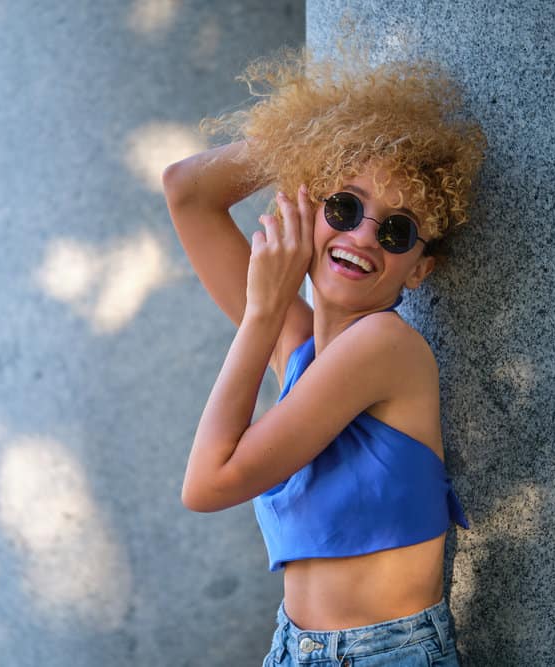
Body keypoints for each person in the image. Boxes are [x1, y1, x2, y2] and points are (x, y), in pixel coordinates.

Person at [163, 47, 486, 667]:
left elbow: (208, 484)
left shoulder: (383, 346)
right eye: (344, 206)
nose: (364, 234)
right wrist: (309, 138)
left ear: (419, 268)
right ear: (312, 209)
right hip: (294, 646)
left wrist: (262, 311)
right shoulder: (305, 348)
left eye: (396, 230)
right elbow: (187, 191)